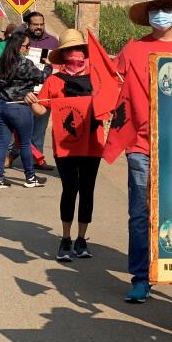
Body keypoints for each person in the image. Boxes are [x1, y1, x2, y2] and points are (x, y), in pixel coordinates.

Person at [115, 0, 172, 303]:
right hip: (140, 146)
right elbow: (111, 84)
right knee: (140, 213)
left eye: (165, 8)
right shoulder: (132, 49)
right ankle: (141, 276)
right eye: (154, 9)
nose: (159, 14)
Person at [25, 29, 104, 261]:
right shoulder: (54, 80)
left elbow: (111, 104)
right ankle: (66, 237)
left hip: (93, 142)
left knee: (87, 190)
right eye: (70, 50)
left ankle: (82, 239)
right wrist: (31, 102)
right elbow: (42, 110)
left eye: (78, 49)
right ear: (63, 54)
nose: (75, 54)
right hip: (65, 144)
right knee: (70, 189)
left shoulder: (98, 78)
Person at [0, 28, 52, 189]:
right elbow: (43, 77)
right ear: (19, 47)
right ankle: (30, 178)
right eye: (26, 46)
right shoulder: (25, 63)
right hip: (19, 107)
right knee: (25, 143)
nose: (28, 48)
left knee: (2, 142)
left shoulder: (1, 62)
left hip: (0, 104)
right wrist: (48, 67)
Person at [25, 11, 60, 156]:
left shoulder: (53, 42)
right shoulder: (22, 39)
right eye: (35, 24)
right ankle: (12, 154)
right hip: (24, 90)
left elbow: (59, 65)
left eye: (41, 24)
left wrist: (53, 65)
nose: (39, 27)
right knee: (22, 126)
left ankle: (37, 157)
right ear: (28, 25)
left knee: (40, 127)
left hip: (45, 91)